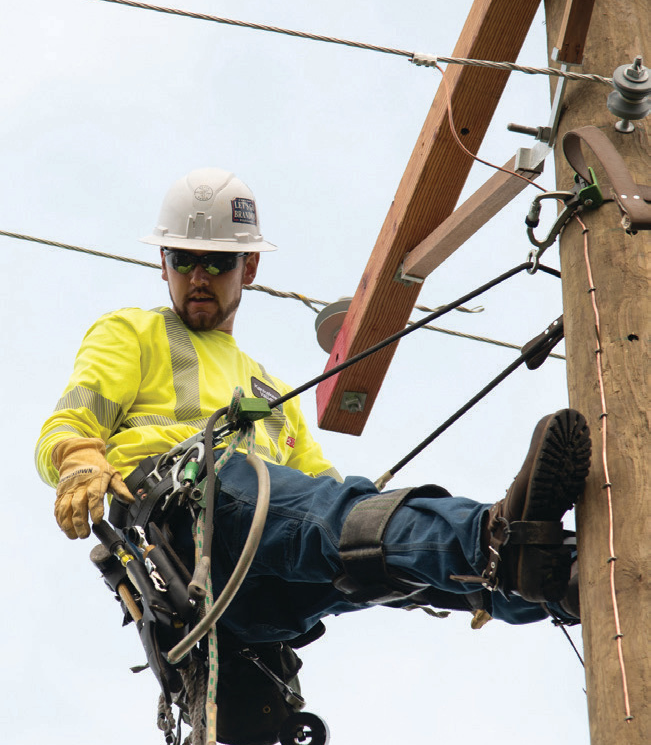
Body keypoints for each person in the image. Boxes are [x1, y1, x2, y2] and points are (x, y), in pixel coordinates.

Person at [36, 167, 588, 647]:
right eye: (184, 259)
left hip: (262, 599)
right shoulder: (133, 332)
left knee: (372, 557)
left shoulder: (270, 393)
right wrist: (80, 460)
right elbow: (68, 422)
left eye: (217, 262)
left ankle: (561, 583)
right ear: (163, 263)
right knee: (337, 519)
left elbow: (324, 498)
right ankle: (495, 538)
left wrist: (374, 512)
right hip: (186, 526)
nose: (198, 276)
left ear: (248, 268)